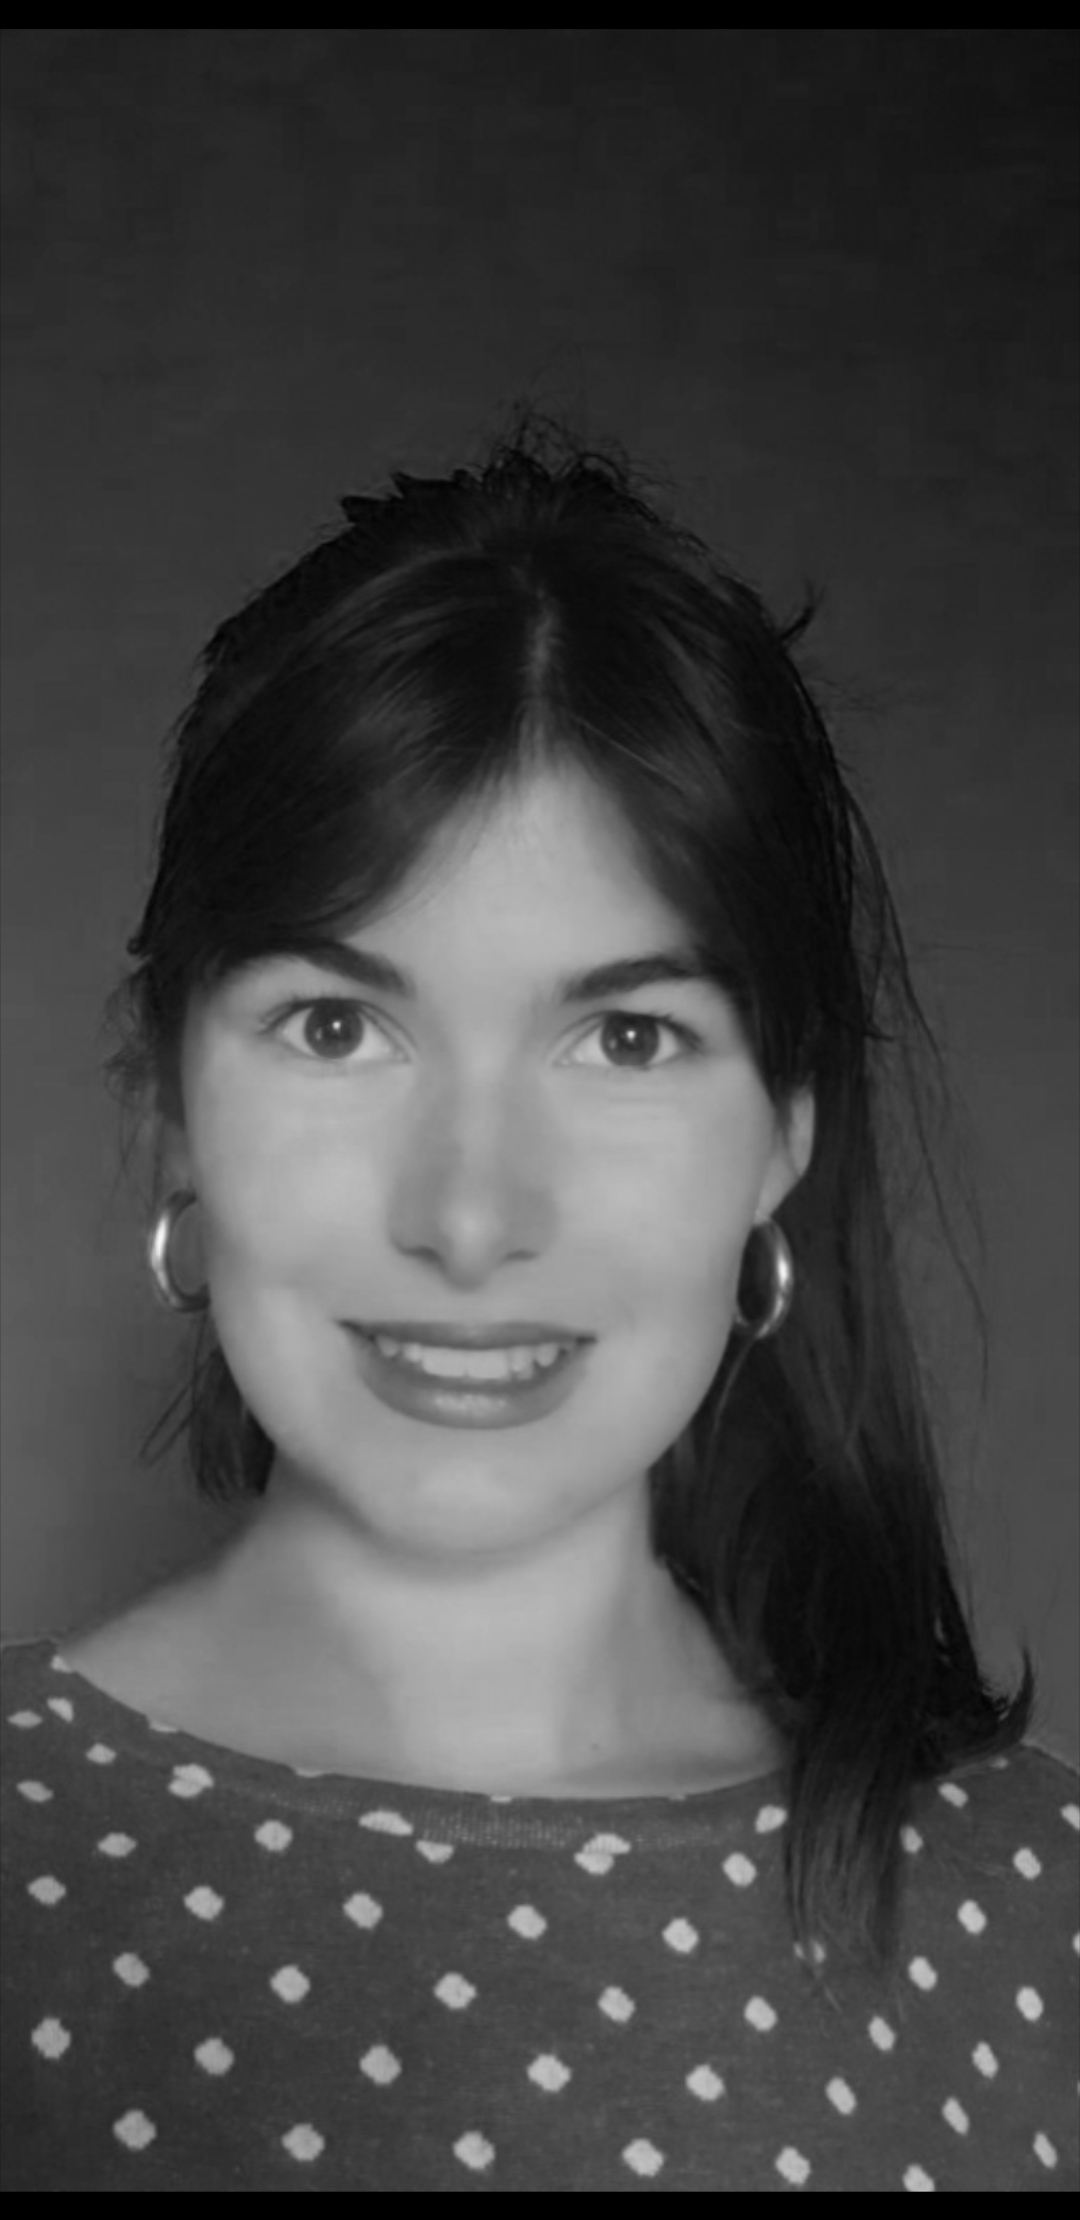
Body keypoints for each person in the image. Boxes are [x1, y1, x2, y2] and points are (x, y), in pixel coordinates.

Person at [2, 419, 1076, 2193]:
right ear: (168, 1103)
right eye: (337, 1027)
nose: (471, 1215)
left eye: (627, 1038)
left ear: (783, 1132)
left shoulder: (1036, 1918)